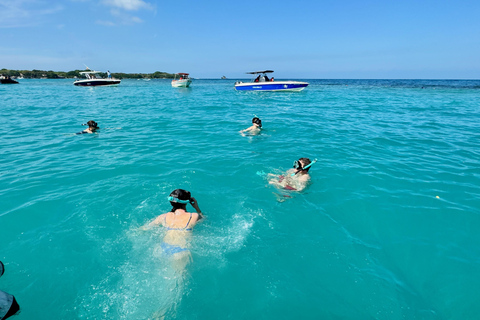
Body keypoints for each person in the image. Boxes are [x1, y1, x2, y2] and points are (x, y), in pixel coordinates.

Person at [142, 189, 203, 273]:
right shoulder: (194, 216)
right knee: (178, 283)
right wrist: (196, 207)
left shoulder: (163, 216)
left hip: (162, 249)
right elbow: (205, 220)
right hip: (180, 252)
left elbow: (145, 228)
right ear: (187, 202)